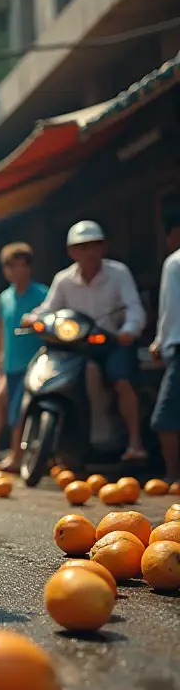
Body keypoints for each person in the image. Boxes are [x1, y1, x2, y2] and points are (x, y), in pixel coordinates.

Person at [22, 220, 147, 463]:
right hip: (76, 346)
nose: (88, 252)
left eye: (93, 246)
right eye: (82, 247)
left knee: (122, 381)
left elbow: (135, 309)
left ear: (103, 248)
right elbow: (49, 308)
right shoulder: (64, 279)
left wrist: (129, 330)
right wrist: (33, 318)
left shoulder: (118, 273)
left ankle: (134, 442)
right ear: (72, 252)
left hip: (112, 343)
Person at [0, 243, 49, 468]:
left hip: (34, 363)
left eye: (21, 266)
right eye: (11, 267)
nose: (16, 271)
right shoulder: (5, 297)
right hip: (10, 362)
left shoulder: (43, 294)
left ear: (29, 267)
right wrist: (0, 356)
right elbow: (2, 330)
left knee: (19, 408)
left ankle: (17, 456)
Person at [150, 205, 180, 483]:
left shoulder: (174, 262)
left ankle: (173, 477)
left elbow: (171, 310)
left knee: (165, 418)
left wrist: (160, 342)